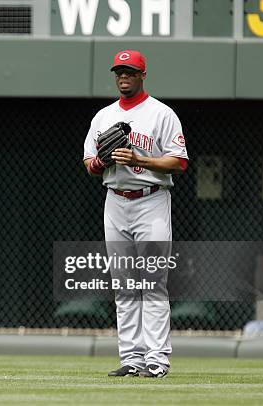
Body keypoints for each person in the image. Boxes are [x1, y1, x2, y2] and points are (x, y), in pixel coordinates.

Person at [82, 50, 189, 378]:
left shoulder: (161, 114)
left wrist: (139, 160)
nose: (123, 76)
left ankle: (156, 360)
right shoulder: (102, 117)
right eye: (119, 71)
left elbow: (179, 161)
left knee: (153, 283)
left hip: (151, 199)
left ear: (143, 75)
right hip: (115, 200)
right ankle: (131, 358)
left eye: (130, 71)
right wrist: (103, 162)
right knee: (125, 283)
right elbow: (89, 164)